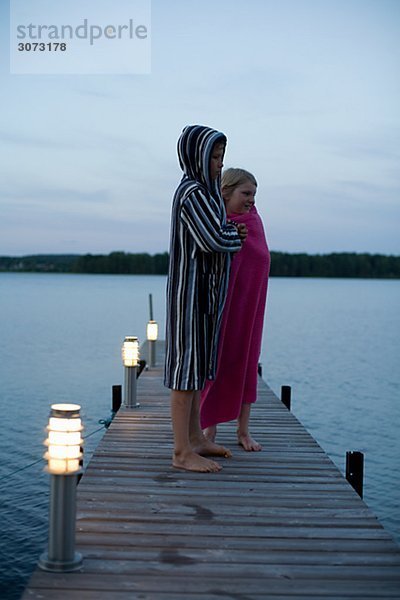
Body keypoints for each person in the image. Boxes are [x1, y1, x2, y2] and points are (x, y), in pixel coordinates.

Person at [164, 126, 246, 472]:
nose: (218, 163)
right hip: (189, 296)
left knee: (197, 369)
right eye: (213, 157)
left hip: (205, 297)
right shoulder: (192, 193)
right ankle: (181, 451)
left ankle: (196, 438)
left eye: (221, 157)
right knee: (186, 371)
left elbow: (221, 232)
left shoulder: (209, 193)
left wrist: (229, 232)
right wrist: (233, 234)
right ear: (195, 156)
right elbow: (214, 238)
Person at [200, 168, 271, 451]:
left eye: (254, 194)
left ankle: (243, 431)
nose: (251, 200)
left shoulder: (254, 222)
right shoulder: (217, 224)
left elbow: (260, 259)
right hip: (223, 305)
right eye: (246, 193)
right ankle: (209, 428)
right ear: (226, 192)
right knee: (216, 361)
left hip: (251, 304)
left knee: (247, 360)